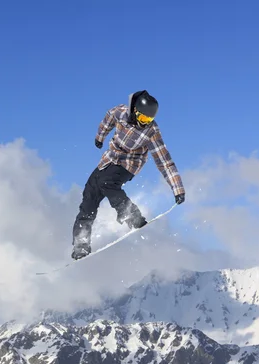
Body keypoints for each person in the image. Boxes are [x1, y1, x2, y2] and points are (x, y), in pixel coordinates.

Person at [71, 89, 186, 260]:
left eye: (149, 119)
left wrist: (178, 189)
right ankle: (81, 244)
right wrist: (100, 137)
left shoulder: (151, 132)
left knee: (107, 182)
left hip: (129, 164)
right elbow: (108, 119)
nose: (145, 123)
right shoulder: (121, 112)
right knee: (89, 194)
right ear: (135, 111)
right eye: (143, 118)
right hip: (109, 159)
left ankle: (132, 216)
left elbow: (164, 161)